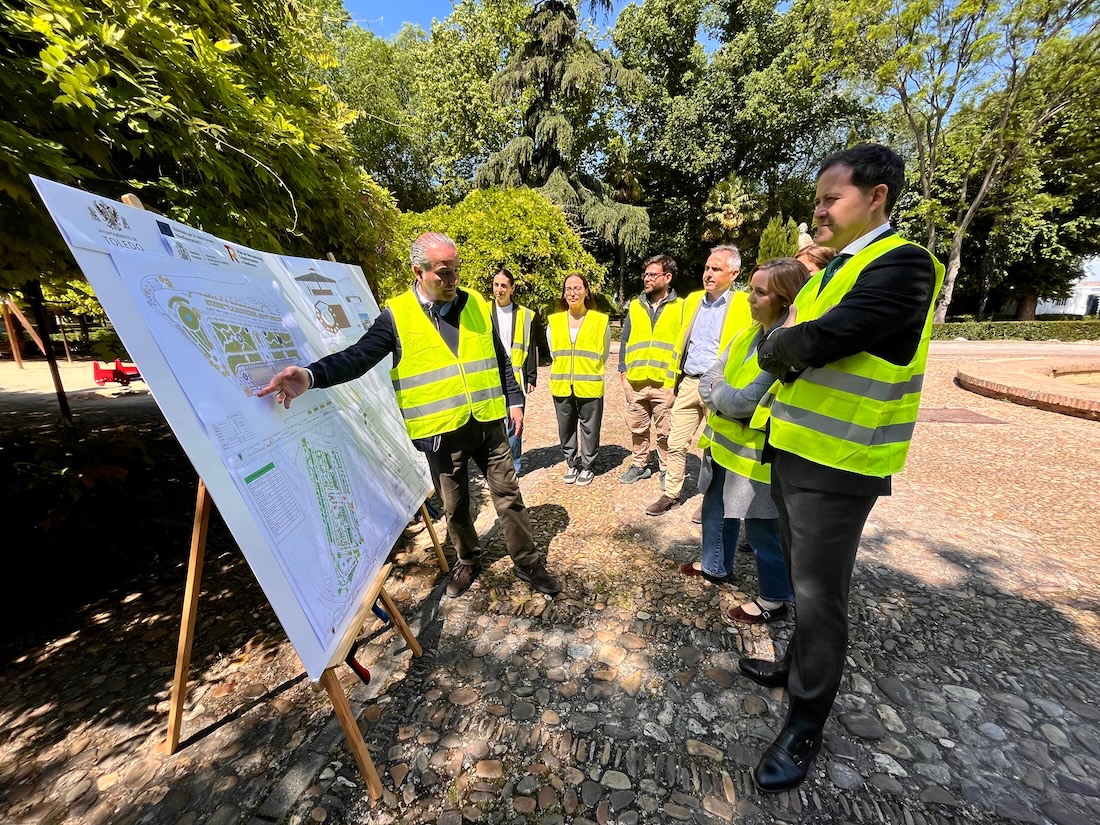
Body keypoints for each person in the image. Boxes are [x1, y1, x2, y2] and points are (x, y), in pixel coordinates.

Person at [739, 144, 944, 793]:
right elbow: (793, 336)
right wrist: (787, 341)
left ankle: (804, 724)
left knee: (820, 597)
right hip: (797, 451)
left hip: (840, 462)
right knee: (804, 584)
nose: (820, 211)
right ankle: (796, 668)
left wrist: (783, 342)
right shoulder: (839, 268)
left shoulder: (904, 263)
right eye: (818, 200)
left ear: (877, 196)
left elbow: (816, 338)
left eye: (832, 198)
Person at [258, 232, 561, 599]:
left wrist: (514, 399)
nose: (453, 280)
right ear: (419, 271)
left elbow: (499, 357)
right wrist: (310, 376)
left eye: (457, 270)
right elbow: (358, 357)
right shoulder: (396, 316)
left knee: (509, 495)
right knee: (455, 507)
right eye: (444, 272)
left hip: (487, 423)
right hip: (441, 434)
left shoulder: (477, 305)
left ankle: (527, 561)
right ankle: (468, 559)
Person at [681, 259, 810, 629]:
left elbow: (744, 402)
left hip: (756, 456)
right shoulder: (746, 335)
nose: (750, 298)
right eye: (752, 289)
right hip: (724, 444)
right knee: (715, 509)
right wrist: (723, 394)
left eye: (760, 292)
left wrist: (719, 394)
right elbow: (709, 378)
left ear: (785, 299)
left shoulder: (786, 344)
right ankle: (714, 565)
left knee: (762, 528)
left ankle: (774, 598)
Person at [646, 245, 752, 516]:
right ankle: (671, 493)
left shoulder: (744, 303)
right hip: (690, 382)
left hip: (720, 385)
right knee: (675, 441)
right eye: (707, 268)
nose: (708, 273)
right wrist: (671, 384)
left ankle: (712, 500)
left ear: (734, 274)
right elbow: (678, 344)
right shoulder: (692, 301)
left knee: (716, 446)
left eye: (716, 269)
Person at [617, 254, 682, 484]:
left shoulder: (681, 307)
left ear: (668, 277)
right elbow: (625, 341)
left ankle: (665, 468)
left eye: (652, 275)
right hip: (635, 381)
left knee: (666, 430)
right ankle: (639, 465)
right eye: (645, 274)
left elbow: (685, 346)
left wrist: (676, 384)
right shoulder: (635, 306)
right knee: (637, 428)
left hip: (664, 383)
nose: (647, 278)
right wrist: (623, 375)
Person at [547, 273, 610, 487]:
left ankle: (588, 465)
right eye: (568, 289)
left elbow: (604, 353)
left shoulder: (599, 321)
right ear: (564, 293)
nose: (572, 293)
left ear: (586, 291)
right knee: (566, 427)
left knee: (590, 428)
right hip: (562, 383)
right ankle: (571, 463)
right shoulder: (554, 321)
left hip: (589, 383)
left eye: (577, 288)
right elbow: (553, 352)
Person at [490, 268, 538, 476]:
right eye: (496, 285)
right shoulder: (483, 311)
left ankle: (514, 465)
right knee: (493, 423)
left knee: (514, 422)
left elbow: (532, 346)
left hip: (516, 374)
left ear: (512, 289)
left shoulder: (525, 315)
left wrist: (531, 376)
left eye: (503, 285)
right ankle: (497, 465)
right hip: (491, 373)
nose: (499, 289)